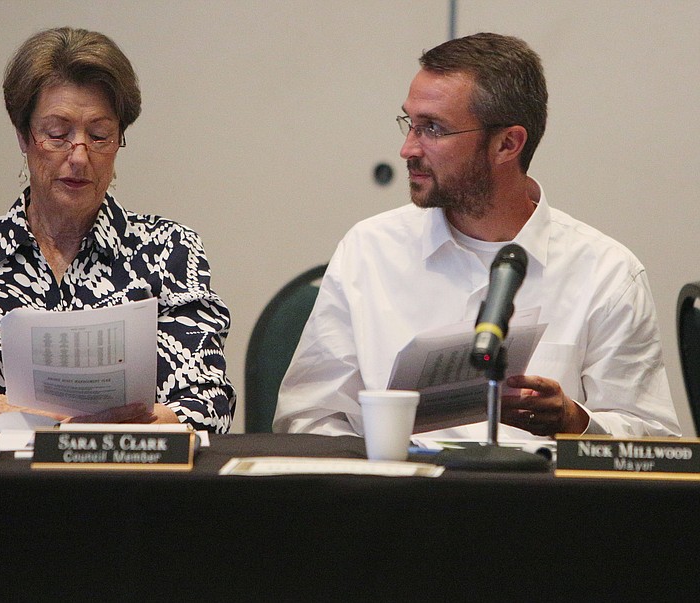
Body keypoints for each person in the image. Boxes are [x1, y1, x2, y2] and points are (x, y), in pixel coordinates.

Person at [273, 32, 680, 441]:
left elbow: (655, 442)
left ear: (507, 144)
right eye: (410, 123)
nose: (408, 149)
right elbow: (309, 418)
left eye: (432, 129)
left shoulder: (606, 272)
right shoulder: (369, 250)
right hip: (398, 498)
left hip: (538, 501)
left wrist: (575, 422)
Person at [0, 27, 235, 433]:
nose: (79, 156)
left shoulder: (169, 249)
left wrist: (46, 419)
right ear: (24, 137)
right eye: (57, 134)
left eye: (99, 136)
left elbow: (208, 406)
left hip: (128, 487)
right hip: (1, 487)